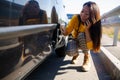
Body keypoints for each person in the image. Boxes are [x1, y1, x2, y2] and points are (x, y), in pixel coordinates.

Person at [60, 1, 102, 71]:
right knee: (70, 51)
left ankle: (86, 58)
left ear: (92, 16)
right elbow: (67, 31)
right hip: (75, 39)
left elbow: (90, 47)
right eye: (82, 11)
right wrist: (63, 31)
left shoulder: (95, 25)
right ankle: (75, 55)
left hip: (84, 41)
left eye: (86, 14)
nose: (82, 15)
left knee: (82, 35)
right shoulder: (76, 18)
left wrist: (86, 30)